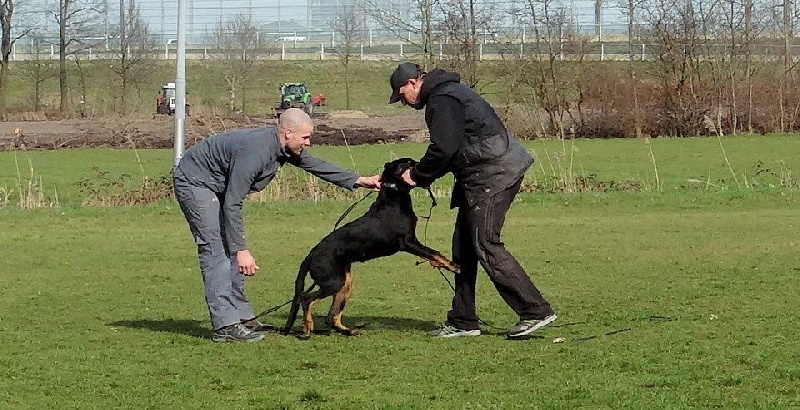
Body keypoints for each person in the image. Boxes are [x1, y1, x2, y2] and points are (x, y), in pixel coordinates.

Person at [173, 108, 381, 343]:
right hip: (196, 182)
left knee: (228, 249)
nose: (309, 142)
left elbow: (315, 164)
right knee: (216, 250)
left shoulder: (283, 146)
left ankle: (242, 318)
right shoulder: (256, 151)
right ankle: (225, 326)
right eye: (305, 137)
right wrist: (241, 249)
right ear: (288, 132)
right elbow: (233, 202)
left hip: (217, 184)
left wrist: (358, 180)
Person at [388, 62, 557, 339]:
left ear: (412, 83)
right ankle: (463, 321)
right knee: (463, 247)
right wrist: (422, 175)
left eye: (401, 95)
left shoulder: (442, 99)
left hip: (494, 174)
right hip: (484, 173)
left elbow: (443, 149)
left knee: (484, 243)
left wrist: (416, 176)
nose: (404, 103)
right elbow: (452, 149)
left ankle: (534, 311)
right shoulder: (449, 93)